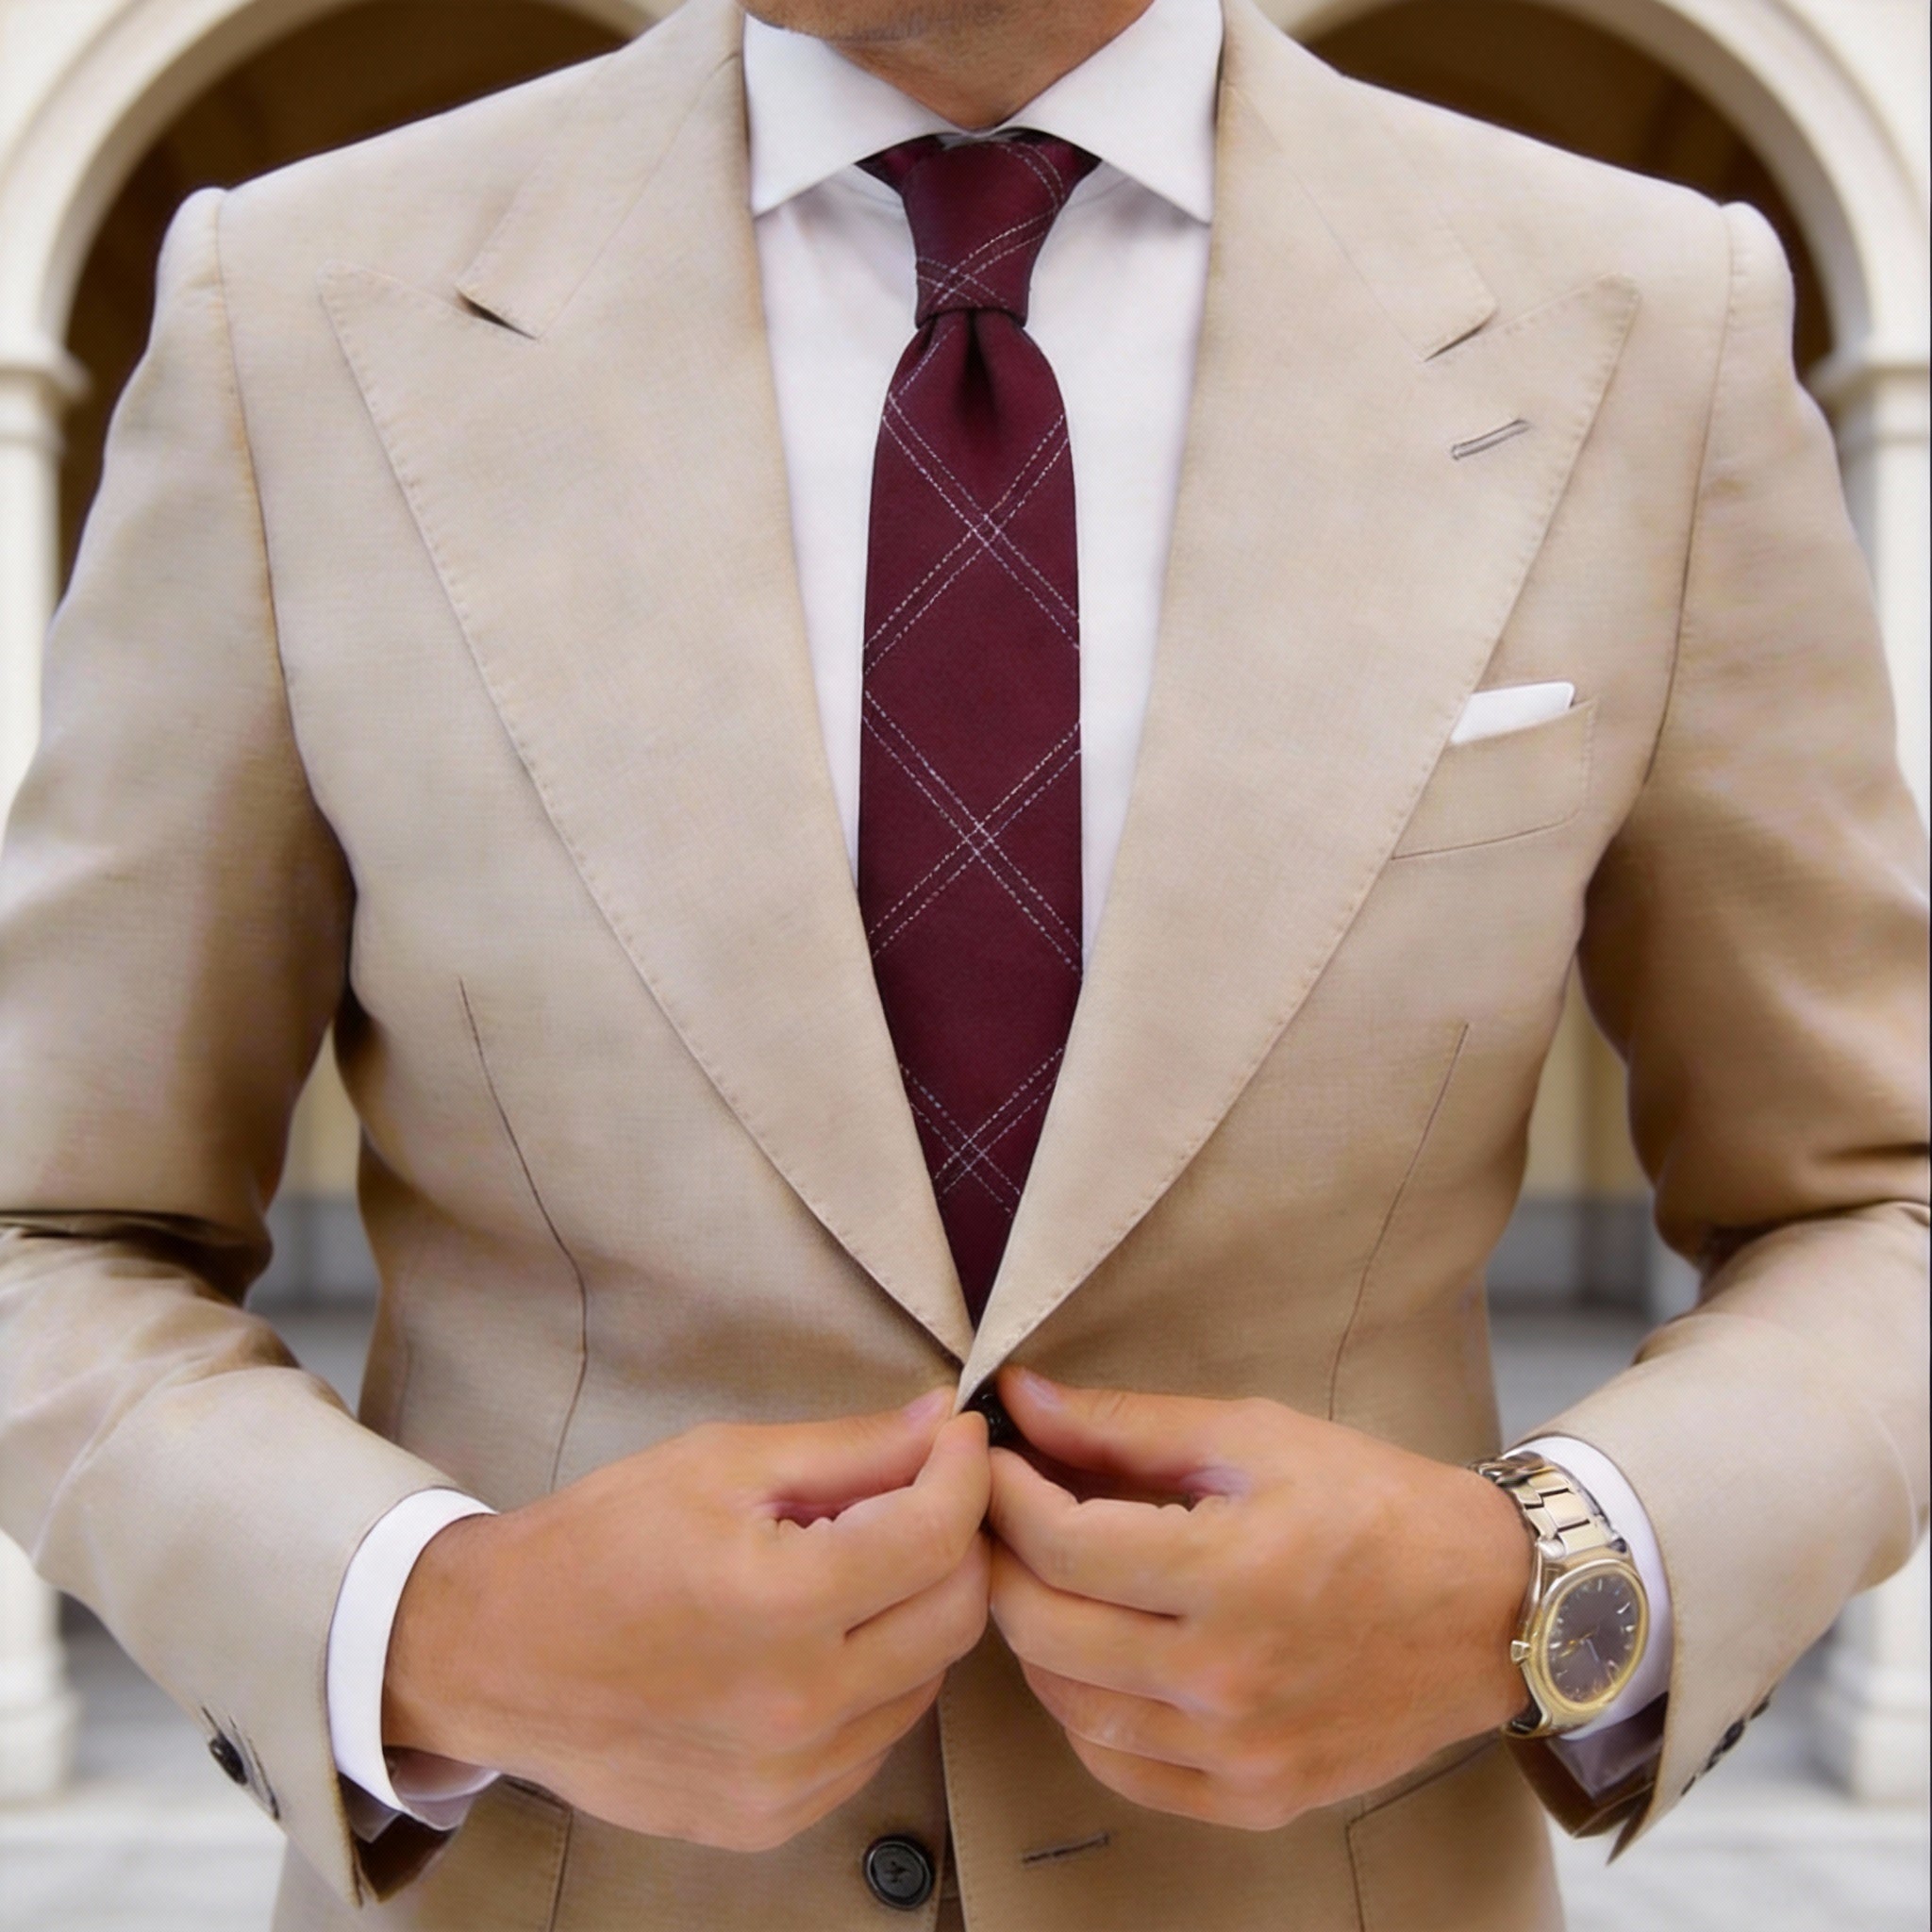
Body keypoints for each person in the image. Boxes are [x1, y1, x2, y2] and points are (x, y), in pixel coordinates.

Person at [0, 0, 1924, 1925]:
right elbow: (47, 1227)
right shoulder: (300, 306)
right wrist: (434, 1623)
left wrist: (1543, 1580)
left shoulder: (1641, 318)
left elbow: (1877, 1201)